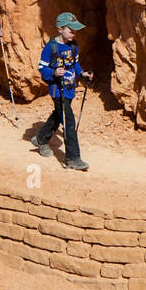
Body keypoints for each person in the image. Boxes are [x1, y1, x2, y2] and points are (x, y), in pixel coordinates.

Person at [31, 11, 93, 171]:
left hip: (70, 88)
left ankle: (41, 139)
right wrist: (53, 73)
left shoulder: (74, 46)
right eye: (70, 30)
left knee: (59, 115)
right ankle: (73, 158)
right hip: (57, 90)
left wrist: (82, 73)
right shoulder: (51, 47)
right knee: (69, 122)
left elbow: (74, 64)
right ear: (60, 29)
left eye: (75, 30)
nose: (74, 33)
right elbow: (42, 68)